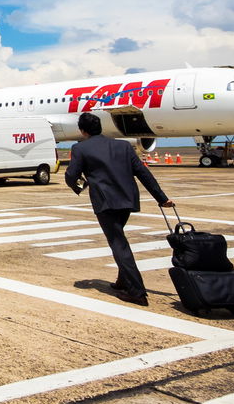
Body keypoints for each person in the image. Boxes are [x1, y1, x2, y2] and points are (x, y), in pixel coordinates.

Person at [65, 112, 174, 306]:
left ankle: (137, 292)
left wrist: (81, 186)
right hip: (128, 200)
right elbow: (143, 172)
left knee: (118, 244)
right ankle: (123, 280)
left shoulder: (80, 148)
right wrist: (161, 198)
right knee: (119, 237)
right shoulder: (123, 146)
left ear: (82, 131)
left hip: (106, 203)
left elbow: (71, 175)